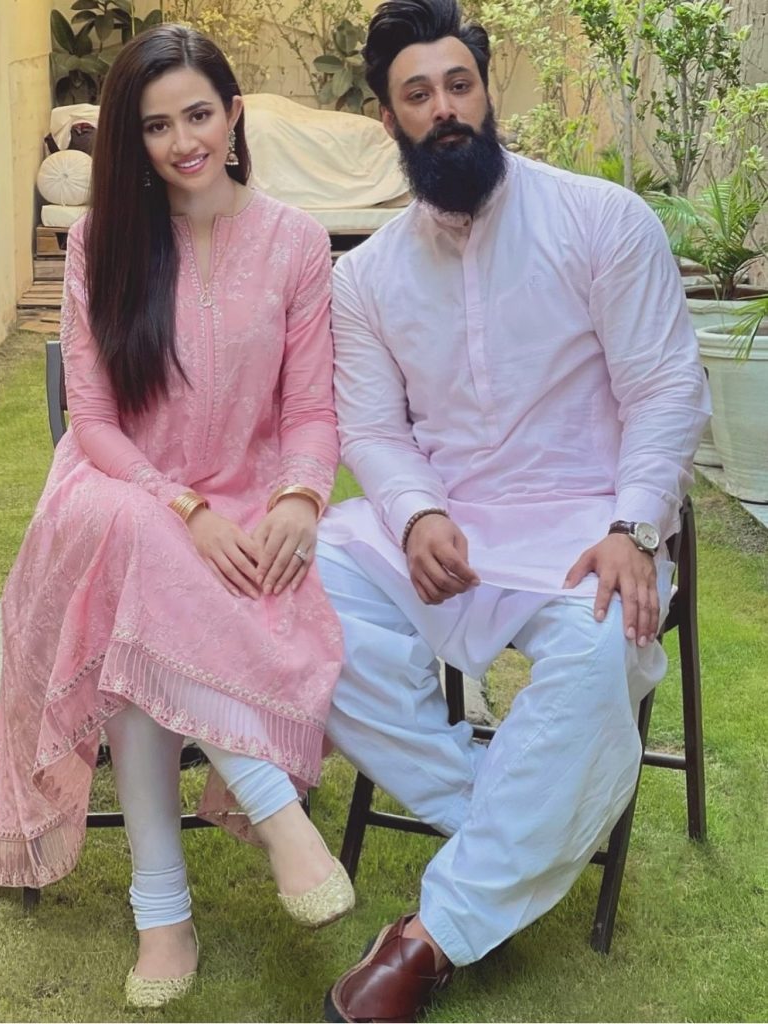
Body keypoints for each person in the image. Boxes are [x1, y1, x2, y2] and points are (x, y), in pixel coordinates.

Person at [315, 1, 711, 1020]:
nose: (443, 109)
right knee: (296, 594)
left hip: (591, 523)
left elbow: (664, 388)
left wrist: (632, 527)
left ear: (485, 91)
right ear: (387, 116)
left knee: (596, 645)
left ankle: (430, 935)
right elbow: (369, 429)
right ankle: (523, 813)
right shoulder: (362, 278)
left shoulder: (597, 218)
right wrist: (409, 513)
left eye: (458, 85)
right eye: (417, 95)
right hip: (451, 531)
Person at [0, 24, 354, 1010]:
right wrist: (178, 505)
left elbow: (313, 411)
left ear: (233, 116)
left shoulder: (296, 243)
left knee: (136, 623)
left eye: (198, 114)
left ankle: (163, 913)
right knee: (135, 542)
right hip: (113, 491)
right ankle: (277, 817)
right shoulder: (105, 238)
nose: (183, 139)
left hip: (240, 495)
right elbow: (95, 422)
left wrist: (295, 496)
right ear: (131, 141)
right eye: (156, 125)